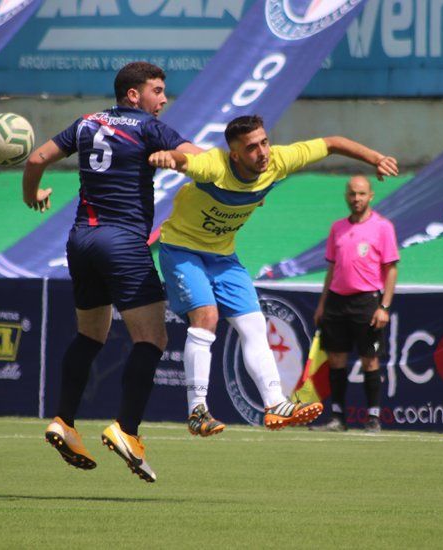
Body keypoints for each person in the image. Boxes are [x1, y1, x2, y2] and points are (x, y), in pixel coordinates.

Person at [148, 115, 399, 436]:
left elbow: (333, 143)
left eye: (264, 142)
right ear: (235, 154)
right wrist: (171, 158)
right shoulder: (215, 166)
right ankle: (197, 410)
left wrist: (376, 158)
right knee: (207, 318)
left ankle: (275, 404)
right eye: (252, 148)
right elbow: (186, 161)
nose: (263, 152)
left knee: (254, 325)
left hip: (223, 255)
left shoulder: (279, 160)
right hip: (182, 248)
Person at [24, 62, 200, 483]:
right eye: (157, 90)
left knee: (90, 335)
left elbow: (35, 157)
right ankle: (127, 430)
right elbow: (199, 157)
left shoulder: (86, 122)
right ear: (134, 95)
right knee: (153, 337)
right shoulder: (146, 127)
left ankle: (64, 421)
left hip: (81, 240)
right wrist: (176, 156)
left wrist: (33, 195)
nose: (164, 99)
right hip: (122, 243)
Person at [311, 175, 399, 433]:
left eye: (361, 194)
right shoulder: (337, 227)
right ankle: (338, 417)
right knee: (336, 358)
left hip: (367, 301)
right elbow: (332, 268)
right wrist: (322, 305)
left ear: (371, 195)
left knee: (369, 359)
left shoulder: (383, 227)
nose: (356, 198)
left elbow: (391, 269)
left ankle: (373, 418)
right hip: (337, 301)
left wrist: (384, 306)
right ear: (346, 196)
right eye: (352, 194)